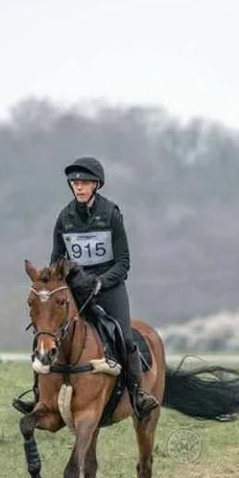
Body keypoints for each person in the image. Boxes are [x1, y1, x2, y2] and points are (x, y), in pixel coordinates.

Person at [50, 156, 159, 419]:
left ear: (96, 185)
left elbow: (124, 262)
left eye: (85, 182)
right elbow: (55, 261)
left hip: (108, 288)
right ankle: (39, 395)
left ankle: (137, 394)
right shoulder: (64, 218)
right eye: (74, 182)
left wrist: (101, 282)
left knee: (124, 336)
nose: (79, 187)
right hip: (77, 290)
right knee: (50, 334)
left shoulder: (111, 213)